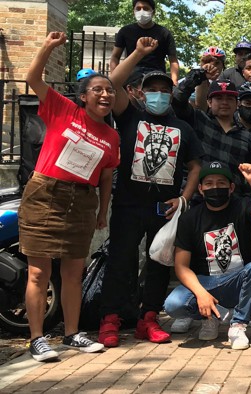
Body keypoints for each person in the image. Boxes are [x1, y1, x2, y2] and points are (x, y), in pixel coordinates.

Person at [98, 37, 202, 348]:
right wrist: (139, 53)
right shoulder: (130, 115)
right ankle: (110, 319)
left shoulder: (183, 127)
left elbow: (196, 166)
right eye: (152, 89)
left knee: (159, 264)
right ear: (143, 93)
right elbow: (110, 83)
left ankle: (149, 319)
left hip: (163, 210)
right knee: (120, 261)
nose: (159, 94)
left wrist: (184, 198)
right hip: (129, 204)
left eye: (164, 90)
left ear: (172, 94)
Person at [21, 32, 119, 361]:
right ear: (83, 97)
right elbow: (32, 78)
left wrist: (103, 211)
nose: (105, 94)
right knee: (39, 271)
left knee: (74, 271)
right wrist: (48, 47)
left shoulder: (112, 137)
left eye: (110, 90)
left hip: (82, 201)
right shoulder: (63, 110)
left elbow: (105, 175)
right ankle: (37, 338)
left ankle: (72, 334)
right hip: (45, 194)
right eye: (98, 89)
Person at [163, 161, 251, 350]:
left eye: (221, 183)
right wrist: (201, 294)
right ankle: (212, 316)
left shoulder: (242, 205)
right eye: (209, 183)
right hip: (205, 282)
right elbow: (181, 266)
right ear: (200, 188)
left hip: (236, 280)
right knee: (173, 304)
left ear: (231, 188)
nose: (215, 188)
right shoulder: (190, 218)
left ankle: (238, 324)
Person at [171, 65, 251, 193]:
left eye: (229, 98)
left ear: (237, 104)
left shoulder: (246, 137)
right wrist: (198, 76)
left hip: (233, 204)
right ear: (209, 102)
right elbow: (177, 100)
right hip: (195, 198)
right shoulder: (197, 119)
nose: (224, 102)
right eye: (218, 98)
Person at [110, 0, 179, 83]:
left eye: (146, 8)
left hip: (156, 77)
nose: (141, 11)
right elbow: (115, 57)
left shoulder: (164, 33)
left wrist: (174, 82)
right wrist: (114, 79)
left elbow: (173, 61)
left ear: (153, 12)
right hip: (131, 76)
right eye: (138, 9)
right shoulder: (125, 31)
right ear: (133, 11)